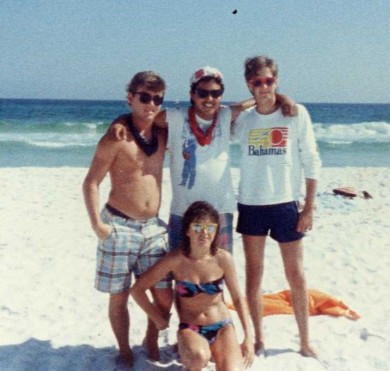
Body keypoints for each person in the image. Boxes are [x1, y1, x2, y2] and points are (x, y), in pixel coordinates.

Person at [109, 66, 297, 253]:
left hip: (220, 210)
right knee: (181, 270)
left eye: (215, 94)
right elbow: (142, 116)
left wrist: (283, 98)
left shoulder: (225, 115)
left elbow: (256, 100)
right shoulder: (174, 117)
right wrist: (120, 121)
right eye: (203, 93)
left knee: (218, 269)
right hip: (183, 211)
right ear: (192, 94)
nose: (209, 99)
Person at [231, 55, 321, 357]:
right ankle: (258, 339)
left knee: (296, 276)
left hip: (285, 204)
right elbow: (221, 118)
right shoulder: (243, 121)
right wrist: (251, 102)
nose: (264, 86)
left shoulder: (296, 114)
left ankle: (305, 340)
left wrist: (308, 207)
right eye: (257, 82)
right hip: (251, 204)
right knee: (254, 275)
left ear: (277, 80)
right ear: (249, 84)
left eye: (270, 81)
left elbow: (311, 160)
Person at [82, 71, 173, 368]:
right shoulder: (115, 138)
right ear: (130, 97)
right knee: (119, 296)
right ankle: (124, 350)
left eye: (156, 99)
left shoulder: (163, 134)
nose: (150, 104)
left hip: (153, 229)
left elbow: (201, 117)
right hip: (118, 226)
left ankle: (150, 339)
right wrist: (97, 225)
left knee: (163, 294)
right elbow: (91, 182)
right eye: (144, 97)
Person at [131, 201, 254, 370]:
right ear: (188, 230)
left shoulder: (223, 259)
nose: (204, 233)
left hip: (223, 326)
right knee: (198, 358)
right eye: (197, 227)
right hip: (191, 328)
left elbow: (238, 298)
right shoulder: (175, 260)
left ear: (216, 230)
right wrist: (157, 319)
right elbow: (137, 289)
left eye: (210, 228)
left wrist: (248, 337)